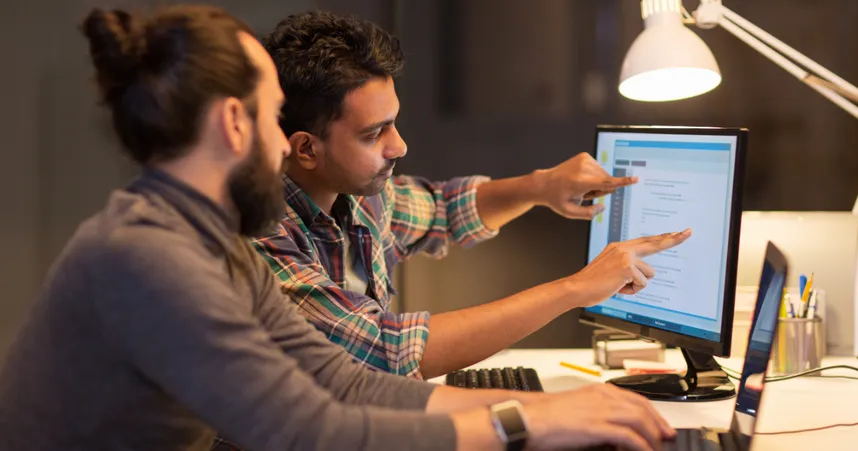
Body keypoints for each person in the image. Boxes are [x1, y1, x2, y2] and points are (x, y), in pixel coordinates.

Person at [0, 5, 676, 451]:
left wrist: (573, 406)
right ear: (238, 124)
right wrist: (524, 422)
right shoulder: (149, 258)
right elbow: (311, 428)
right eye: (271, 118)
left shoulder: (211, 241)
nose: (279, 145)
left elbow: (345, 381)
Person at [254, 11, 692, 379]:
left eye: (394, 122)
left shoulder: (361, 197)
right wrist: (576, 288)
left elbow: (444, 209)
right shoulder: (260, 238)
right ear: (307, 149)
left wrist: (541, 186)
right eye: (374, 134)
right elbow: (384, 352)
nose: (399, 146)